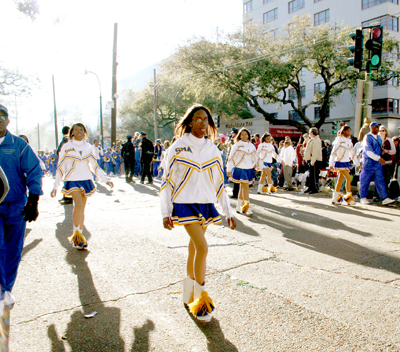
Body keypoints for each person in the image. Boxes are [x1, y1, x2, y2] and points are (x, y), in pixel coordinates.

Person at [160, 104, 236, 322]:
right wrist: (165, 212)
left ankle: (188, 293)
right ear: (190, 121)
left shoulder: (213, 149)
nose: (202, 123)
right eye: (198, 118)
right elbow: (167, 181)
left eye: (206, 119)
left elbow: (219, 182)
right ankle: (201, 301)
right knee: (203, 247)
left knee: (194, 248)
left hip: (205, 204)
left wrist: (228, 212)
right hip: (184, 204)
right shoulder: (178, 147)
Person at [0, 104, 43, 315]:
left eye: (2, 116)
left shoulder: (19, 145)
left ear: (8, 121)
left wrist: (33, 200)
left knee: (14, 249)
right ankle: (0, 291)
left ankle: (6, 289)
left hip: (16, 205)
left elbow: (35, 171)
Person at [51, 123, 114, 249]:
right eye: (76, 130)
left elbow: (94, 166)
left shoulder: (89, 147)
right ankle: (76, 235)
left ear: (85, 132)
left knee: (82, 208)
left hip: (86, 179)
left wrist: (105, 179)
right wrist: (55, 186)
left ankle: (79, 235)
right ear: (72, 132)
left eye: (81, 130)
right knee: (78, 205)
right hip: (72, 180)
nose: (79, 132)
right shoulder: (66, 147)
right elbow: (60, 166)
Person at [359, 122, 395, 205]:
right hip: (369, 162)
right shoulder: (367, 137)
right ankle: (363, 197)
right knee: (365, 180)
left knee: (380, 180)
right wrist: (378, 158)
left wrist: (381, 153)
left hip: (377, 162)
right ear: (371, 127)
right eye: (376, 127)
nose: (377, 128)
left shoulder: (378, 137)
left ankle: (384, 198)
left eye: (378, 127)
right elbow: (368, 151)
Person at [227, 127, 260, 215]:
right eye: (242, 134)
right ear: (239, 135)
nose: (244, 136)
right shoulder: (237, 145)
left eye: (246, 134)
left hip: (249, 169)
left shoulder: (252, 145)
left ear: (248, 135)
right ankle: (247, 207)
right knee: (245, 187)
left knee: (242, 188)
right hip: (239, 168)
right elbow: (230, 157)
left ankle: (239, 207)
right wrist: (228, 169)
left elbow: (256, 157)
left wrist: (259, 165)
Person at [329, 125, 360, 205]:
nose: (349, 132)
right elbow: (333, 153)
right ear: (344, 131)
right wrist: (330, 164)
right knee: (349, 178)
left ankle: (335, 198)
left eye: (350, 131)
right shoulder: (339, 141)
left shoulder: (349, 141)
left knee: (340, 181)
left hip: (346, 163)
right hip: (339, 162)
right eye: (348, 131)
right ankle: (349, 199)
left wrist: (358, 164)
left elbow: (352, 154)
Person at [303, 127, 323, 194]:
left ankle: (314, 188)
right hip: (311, 159)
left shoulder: (316, 140)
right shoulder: (313, 139)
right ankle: (310, 187)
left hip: (315, 160)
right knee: (311, 175)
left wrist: (312, 161)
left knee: (314, 175)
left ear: (312, 133)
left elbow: (315, 152)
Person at [379, 125, 396, 193]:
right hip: (379, 162)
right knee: (379, 179)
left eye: (383, 130)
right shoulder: (378, 140)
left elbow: (394, 151)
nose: (381, 132)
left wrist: (386, 151)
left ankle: (385, 194)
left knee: (386, 179)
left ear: (386, 131)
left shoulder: (389, 140)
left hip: (387, 163)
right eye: (380, 131)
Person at [227, 128, 240, 198]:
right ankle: (236, 193)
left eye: (233, 133)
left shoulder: (236, 141)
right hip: (232, 161)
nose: (232, 134)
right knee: (235, 179)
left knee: (237, 180)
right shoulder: (232, 140)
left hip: (236, 162)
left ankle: (236, 193)